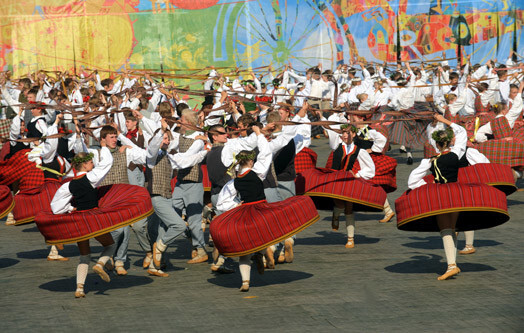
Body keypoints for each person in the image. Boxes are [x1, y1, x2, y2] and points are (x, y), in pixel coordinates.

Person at [50, 144, 115, 298]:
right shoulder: (91, 178)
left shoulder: (68, 185)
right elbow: (107, 163)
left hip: (79, 220)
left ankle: (79, 288)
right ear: (85, 164)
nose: (93, 164)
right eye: (91, 162)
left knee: (84, 255)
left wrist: (70, 209)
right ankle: (100, 264)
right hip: (93, 218)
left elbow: (55, 207)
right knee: (110, 246)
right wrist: (104, 147)